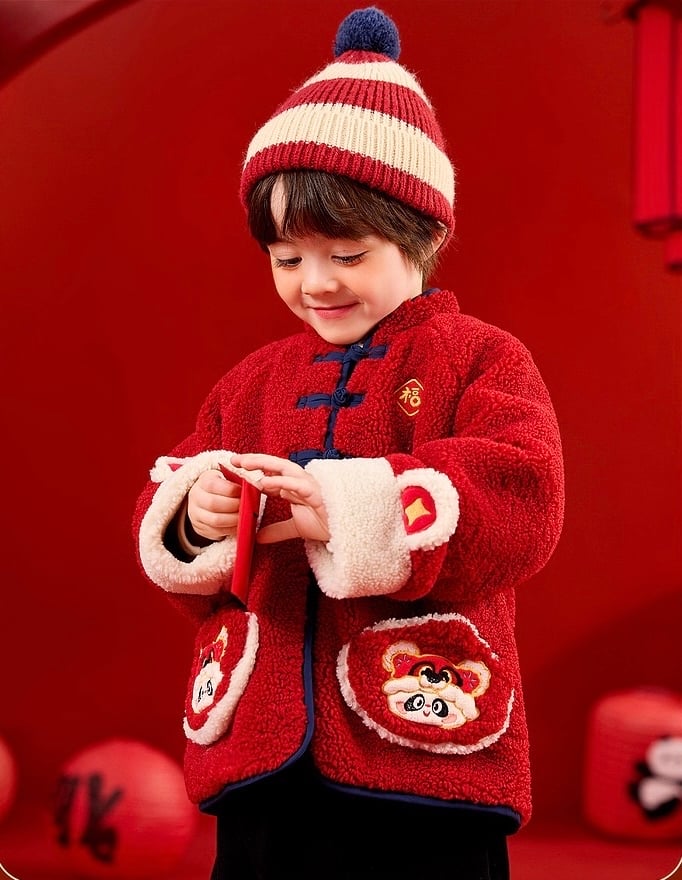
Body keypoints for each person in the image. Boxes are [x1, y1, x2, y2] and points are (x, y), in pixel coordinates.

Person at [132, 6, 565, 879]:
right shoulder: (250, 383)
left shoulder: (481, 359)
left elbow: (522, 494)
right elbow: (172, 494)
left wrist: (346, 508)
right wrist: (197, 514)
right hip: (263, 757)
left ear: (424, 236)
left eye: (347, 253)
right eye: (287, 259)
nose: (315, 283)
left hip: (423, 749)